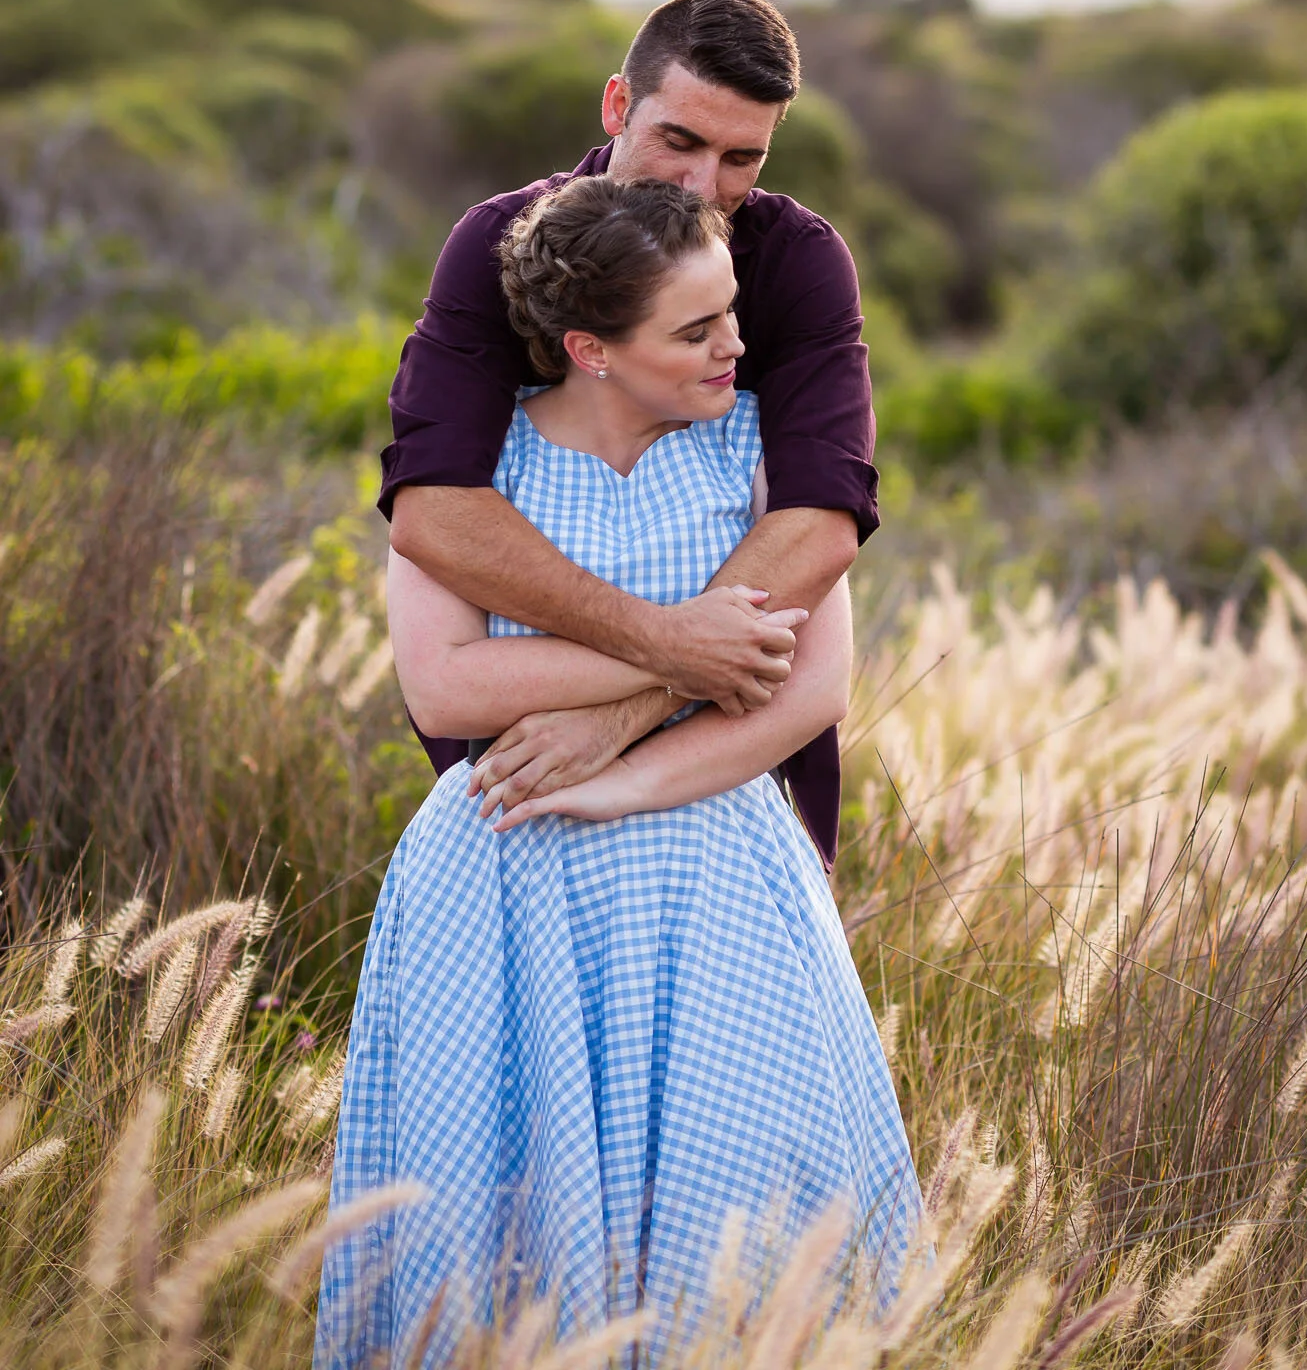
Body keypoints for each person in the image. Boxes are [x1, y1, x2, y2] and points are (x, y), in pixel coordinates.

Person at [315, 177, 922, 1367]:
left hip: (716, 884)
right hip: (499, 880)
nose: (736, 347)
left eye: (733, 314)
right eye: (696, 330)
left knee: (733, 1250)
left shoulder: (756, 458)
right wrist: (681, 642)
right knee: (494, 1250)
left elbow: (807, 686)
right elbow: (443, 686)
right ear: (590, 348)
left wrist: (616, 769)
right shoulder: (473, 481)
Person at [381, 0, 880, 865]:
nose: (704, 185)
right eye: (677, 140)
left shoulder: (800, 262)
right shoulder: (499, 246)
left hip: (733, 783)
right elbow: (435, 509)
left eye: (742, 158)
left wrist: (624, 715)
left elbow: (820, 517)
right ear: (618, 104)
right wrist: (668, 644)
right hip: (521, 798)